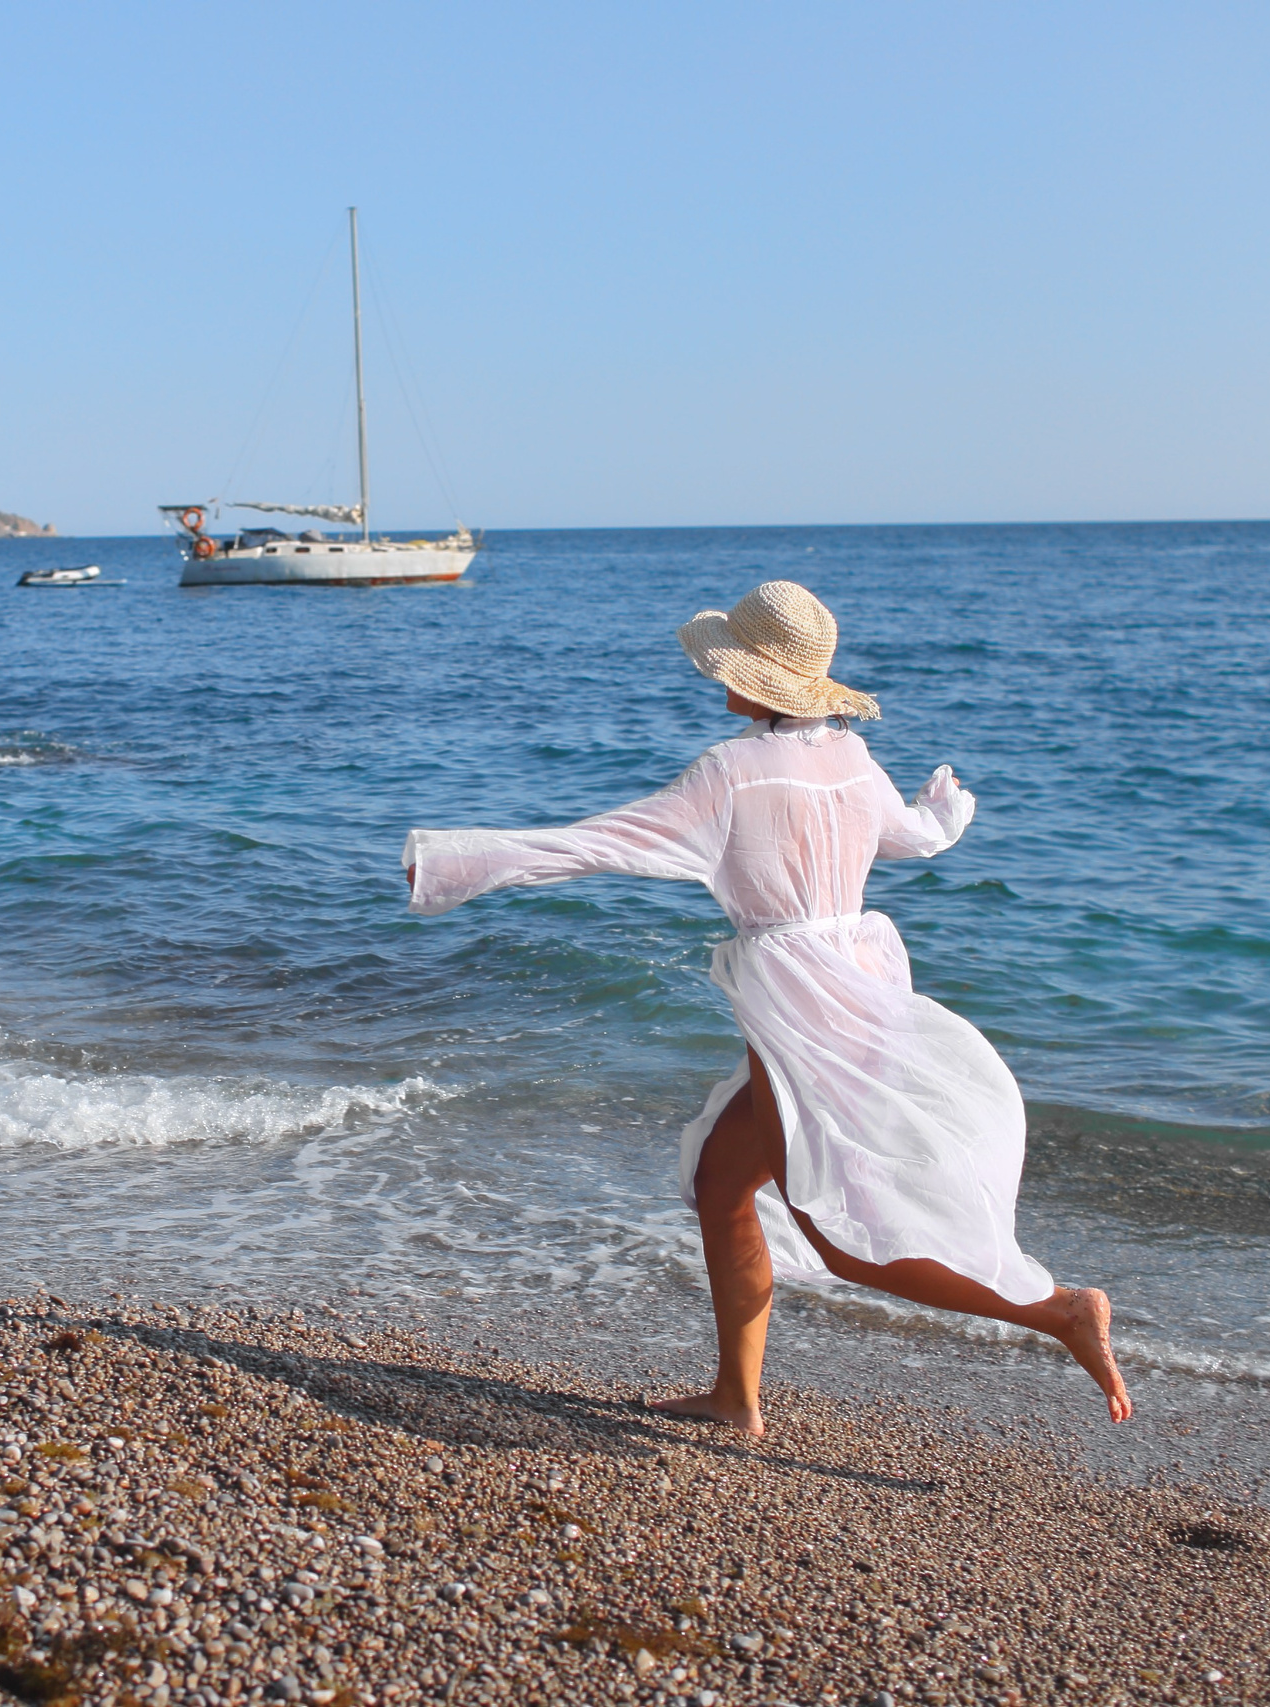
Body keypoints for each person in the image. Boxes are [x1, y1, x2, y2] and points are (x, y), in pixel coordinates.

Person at [402, 581, 1130, 1431]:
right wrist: (943, 810)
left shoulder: (729, 773)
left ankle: (1060, 1311)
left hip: (804, 1008)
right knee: (722, 1178)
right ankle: (736, 1399)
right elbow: (913, 836)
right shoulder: (852, 759)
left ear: (758, 679)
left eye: (732, 665)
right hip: (859, 983)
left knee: (836, 1235)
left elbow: (602, 842)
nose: (719, 678)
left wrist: (456, 865)